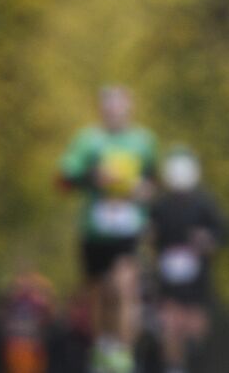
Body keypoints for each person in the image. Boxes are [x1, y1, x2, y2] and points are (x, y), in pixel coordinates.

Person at [59, 85, 158, 373]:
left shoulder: (144, 141)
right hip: (95, 231)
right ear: (101, 109)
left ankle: (123, 354)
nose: (114, 111)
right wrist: (95, 176)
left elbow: (153, 181)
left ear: (130, 107)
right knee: (99, 294)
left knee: (124, 288)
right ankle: (103, 349)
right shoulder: (88, 140)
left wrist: (144, 191)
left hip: (129, 229)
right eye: (109, 105)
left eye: (119, 105)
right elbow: (66, 176)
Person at [148, 147, 226, 373]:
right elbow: (151, 235)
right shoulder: (160, 205)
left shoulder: (205, 203)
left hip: (198, 277)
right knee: (170, 324)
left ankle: (196, 364)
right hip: (168, 276)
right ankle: (174, 367)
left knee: (195, 326)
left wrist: (207, 240)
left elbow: (222, 232)